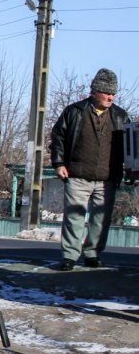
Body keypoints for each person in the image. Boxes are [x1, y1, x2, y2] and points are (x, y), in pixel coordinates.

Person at [49, 68, 130, 270]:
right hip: (77, 175)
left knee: (101, 219)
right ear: (94, 91)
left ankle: (93, 254)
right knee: (74, 217)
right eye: (107, 92)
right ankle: (70, 256)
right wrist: (59, 163)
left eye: (113, 93)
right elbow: (58, 137)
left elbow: (130, 145)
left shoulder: (120, 116)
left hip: (107, 178)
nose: (111, 97)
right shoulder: (74, 111)